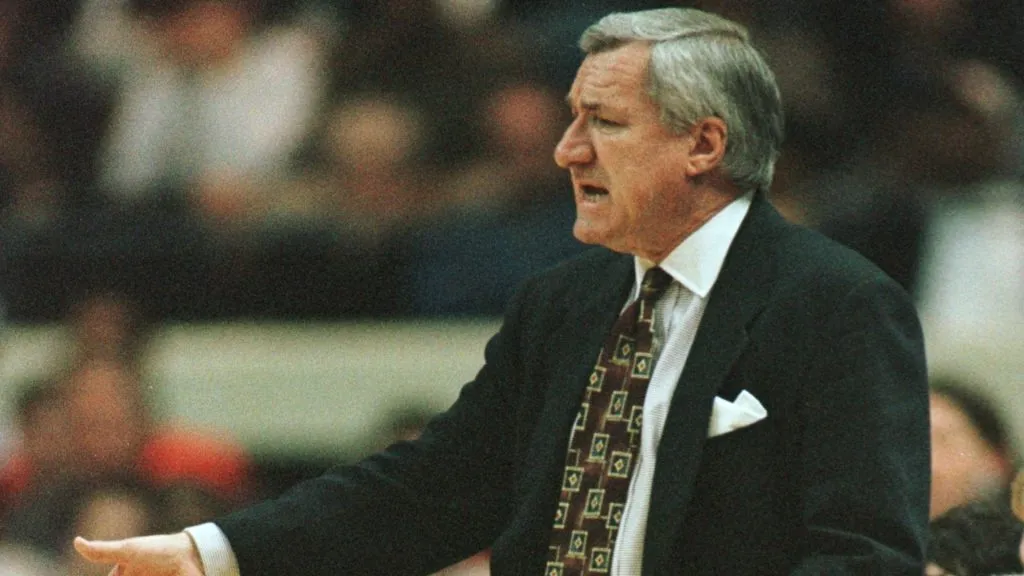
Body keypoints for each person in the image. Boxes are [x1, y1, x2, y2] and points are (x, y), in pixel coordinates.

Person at [73, 7, 930, 575]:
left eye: (605, 121)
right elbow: (430, 490)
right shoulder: (561, 304)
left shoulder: (839, 306)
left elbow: (864, 557)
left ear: (703, 145)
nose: (566, 150)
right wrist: (212, 551)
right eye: (571, 116)